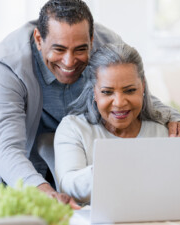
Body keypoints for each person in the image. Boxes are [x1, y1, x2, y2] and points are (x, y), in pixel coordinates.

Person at [0, 0, 180, 208]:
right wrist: (44, 192)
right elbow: (8, 149)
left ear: (92, 40)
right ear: (39, 39)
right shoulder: (6, 65)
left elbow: (132, 89)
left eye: (80, 50)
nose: (69, 62)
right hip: (18, 173)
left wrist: (173, 117)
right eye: (59, 49)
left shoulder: (107, 44)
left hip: (73, 159)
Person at [55, 43, 169, 204]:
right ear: (93, 91)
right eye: (107, 92)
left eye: (130, 90)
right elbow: (68, 186)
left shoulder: (162, 131)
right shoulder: (74, 128)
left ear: (142, 86)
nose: (120, 103)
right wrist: (113, 168)